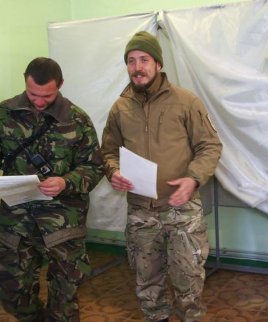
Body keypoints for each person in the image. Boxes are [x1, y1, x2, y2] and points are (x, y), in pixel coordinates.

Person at [101, 31, 222, 322]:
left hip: (182, 210)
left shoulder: (185, 101)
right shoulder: (120, 108)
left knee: (188, 285)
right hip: (141, 212)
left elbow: (210, 146)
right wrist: (113, 172)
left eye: (144, 59)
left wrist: (193, 178)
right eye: (131, 61)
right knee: (148, 287)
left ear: (158, 64)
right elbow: (108, 152)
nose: (137, 66)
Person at [0, 57, 104, 321]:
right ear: (24, 81)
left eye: (47, 96)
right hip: (17, 218)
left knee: (64, 299)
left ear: (60, 85)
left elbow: (94, 168)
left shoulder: (77, 120)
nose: (38, 101)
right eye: (32, 94)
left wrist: (65, 181)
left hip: (63, 220)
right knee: (9, 289)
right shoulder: (2, 113)